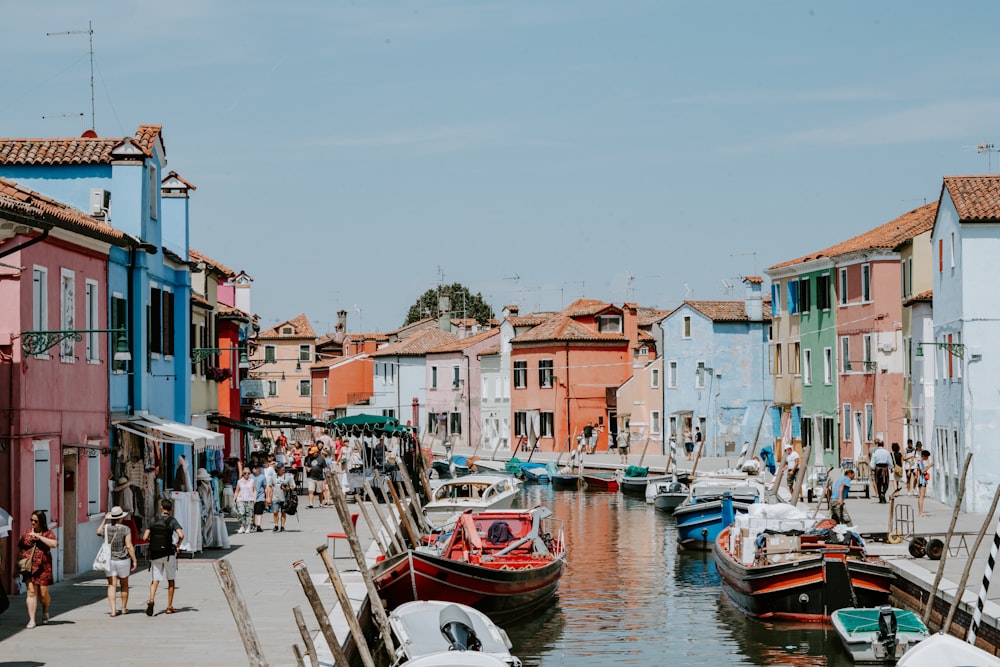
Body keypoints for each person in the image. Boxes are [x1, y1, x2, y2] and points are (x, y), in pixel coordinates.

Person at [143, 498, 184, 616]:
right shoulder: (172, 521)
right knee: (171, 580)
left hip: (155, 554)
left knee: (155, 580)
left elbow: (145, 537)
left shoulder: (153, 520)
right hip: (168, 554)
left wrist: (153, 539)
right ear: (171, 509)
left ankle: (151, 600)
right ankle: (169, 607)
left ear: (161, 508)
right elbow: (181, 534)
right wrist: (178, 544)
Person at [17, 510, 58, 628]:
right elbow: (20, 548)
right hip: (29, 567)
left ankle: (45, 610)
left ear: (41, 521)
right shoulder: (26, 534)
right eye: (32, 520)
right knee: (31, 592)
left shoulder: (47, 533)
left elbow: (54, 544)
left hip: (44, 566)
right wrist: (18, 565)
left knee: (44, 594)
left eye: (36, 521)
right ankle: (32, 620)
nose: (33, 523)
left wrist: (39, 537)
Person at [97, 506, 137, 617]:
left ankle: (113, 610)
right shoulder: (125, 529)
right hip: (123, 560)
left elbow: (98, 532)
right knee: (124, 584)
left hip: (109, 560)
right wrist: (134, 560)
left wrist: (105, 520)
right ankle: (123, 608)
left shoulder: (106, 528)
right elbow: (129, 546)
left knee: (111, 585)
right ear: (121, 518)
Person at [271, 461, 295, 532]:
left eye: (279, 468)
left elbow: (293, 487)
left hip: (285, 498)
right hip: (275, 497)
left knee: (283, 512)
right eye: (277, 468)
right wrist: (269, 497)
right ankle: (276, 525)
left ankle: (282, 526)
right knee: (275, 512)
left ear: (283, 468)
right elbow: (270, 486)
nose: (278, 469)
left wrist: (287, 488)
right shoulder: (273, 476)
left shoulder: (288, 476)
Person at [234, 466, 256, 534]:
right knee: (241, 512)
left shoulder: (252, 481)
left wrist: (254, 498)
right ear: (243, 473)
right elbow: (237, 491)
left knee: (249, 513)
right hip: (240, 499)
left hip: (249, 499)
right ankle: (242, 526)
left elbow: (254, 490)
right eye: (245, 473)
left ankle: (248, 526)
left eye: (248, 473)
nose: (247, 474)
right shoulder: (239, 481)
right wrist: (234, 499)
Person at [916, 449, 934, 518]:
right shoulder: (920, 462)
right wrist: (929, 466)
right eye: (927, 457)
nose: (927, 458)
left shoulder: (921, 462)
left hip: (921, 480)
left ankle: (920, 512)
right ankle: (921, 513)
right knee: (921, 497)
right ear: (923, 456)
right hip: (922, 480)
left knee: (921, 496)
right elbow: (923, 471)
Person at [252, 461, 268, 532]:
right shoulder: (250, 476)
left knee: (259, 512)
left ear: (259, 469)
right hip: (251, 497)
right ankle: (254, 524)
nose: (254, 469)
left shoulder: (262, 477)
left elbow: (265, 487)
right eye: (253, 468)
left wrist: (267, 497)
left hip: (260, 496)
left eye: (255, 468)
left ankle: (258, 525)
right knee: (253, 512)